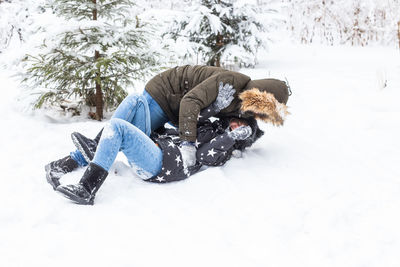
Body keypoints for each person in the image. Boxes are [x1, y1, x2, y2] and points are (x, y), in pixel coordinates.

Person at [45, 65, 290, 204]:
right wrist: (192, 135)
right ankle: (71, 160)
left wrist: (230, 136)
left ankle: (87, 182)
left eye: (243, 125)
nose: (239, 123)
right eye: (238, 122)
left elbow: (208, 152)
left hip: (163, 161)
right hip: (163, 102)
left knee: (119, 127)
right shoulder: (230, 86)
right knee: (132, 103)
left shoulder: (227, 134)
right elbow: (191, 105)